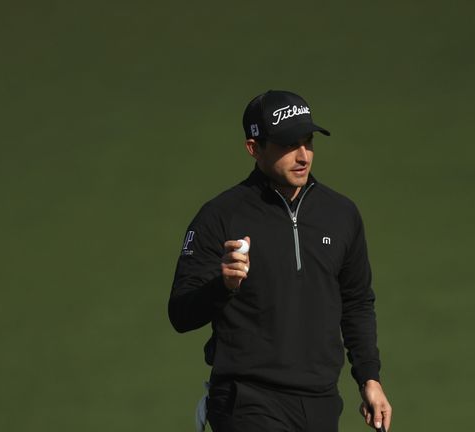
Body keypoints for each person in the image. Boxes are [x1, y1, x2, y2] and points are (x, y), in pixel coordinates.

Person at [168, 90, 392, 432]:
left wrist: (369, 379)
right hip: (248, 399)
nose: (303, 156)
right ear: (253, 148)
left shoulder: (341, 214)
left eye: (308, 142)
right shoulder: (220, 216)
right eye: (288, 144)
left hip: (321, 402)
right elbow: (180, 313)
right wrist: (223, 285)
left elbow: (357, 302)